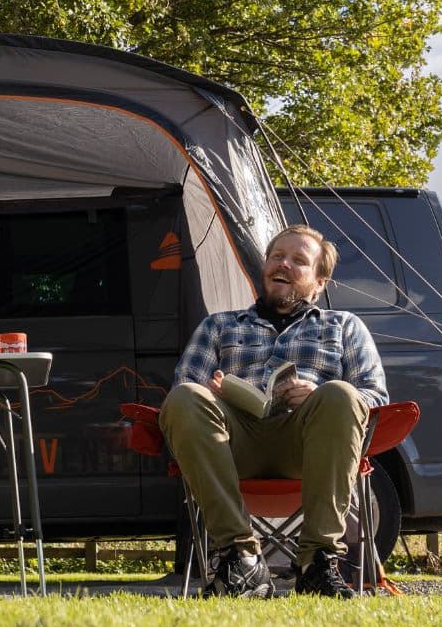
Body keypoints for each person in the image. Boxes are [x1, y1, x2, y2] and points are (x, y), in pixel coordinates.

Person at [158, 224, 388, 598]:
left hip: (310, 445)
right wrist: (214, 394)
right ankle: (241, 558)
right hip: (233, 445)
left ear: (319, 282)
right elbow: (181, 396)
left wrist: (319, 393)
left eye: (299, 261)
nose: (284, 264)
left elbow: (375, 397)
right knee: (187, 397)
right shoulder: (219, 325)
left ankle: (317, 561)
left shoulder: (345, 326)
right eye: (277, 256)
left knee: (343, 395)